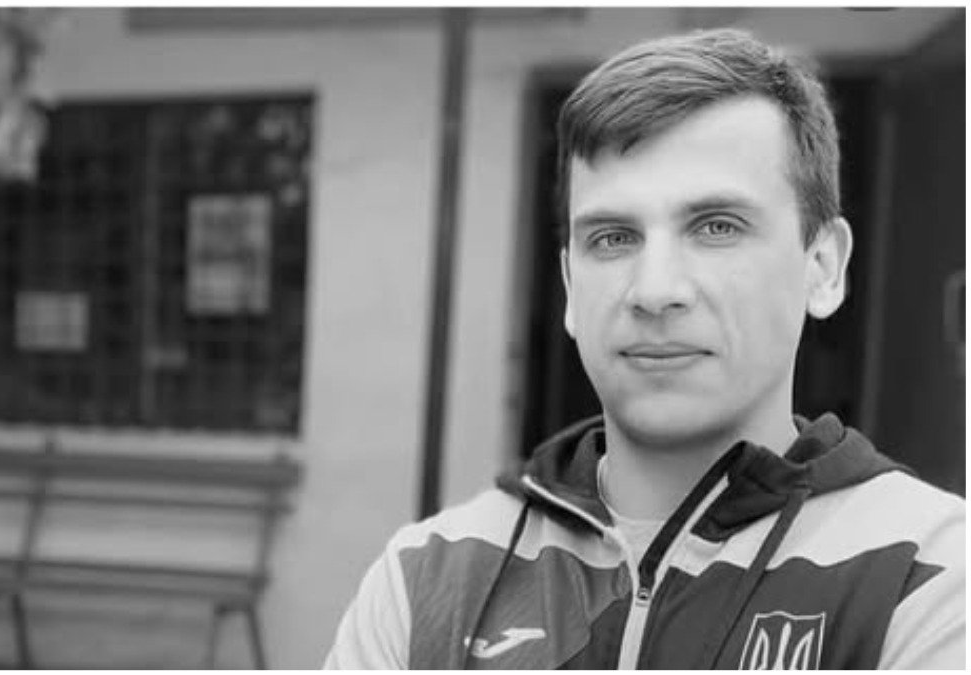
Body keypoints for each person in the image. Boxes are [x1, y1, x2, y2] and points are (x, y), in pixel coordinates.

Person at [324, 28, 964, 669]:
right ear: (570, 286)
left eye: (717, 227)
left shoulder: (930, 576)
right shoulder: (426, 580)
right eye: (612, 237)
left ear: (823, 266)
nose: (655, 291)